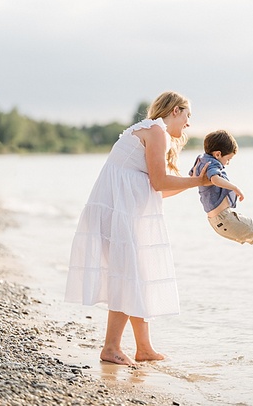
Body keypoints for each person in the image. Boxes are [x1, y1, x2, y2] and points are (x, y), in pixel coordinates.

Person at [65, 91, 210, 366]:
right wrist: (197, 182)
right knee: (127, 274)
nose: (189, 124)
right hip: (117, 212)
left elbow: (157, 190)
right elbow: (158, 181)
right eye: (188, 116)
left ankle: (143, 348)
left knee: (135, 275)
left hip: (116, 210)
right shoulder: (157, 130)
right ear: (176, 111)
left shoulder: (149, 130)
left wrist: (193, 181)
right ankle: (111, 347)